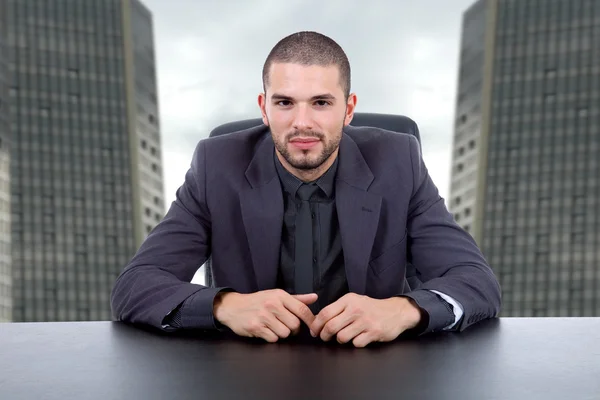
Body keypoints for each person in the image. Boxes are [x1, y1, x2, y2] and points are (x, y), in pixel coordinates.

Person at [111, 31, 501, 348]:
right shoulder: (217, 165)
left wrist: (403, 311)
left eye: (320, 103)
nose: (302, 123)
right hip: (245, 379)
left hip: (376, 376)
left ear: (348, 109)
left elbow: (474, 280)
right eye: (285, 102)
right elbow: (136, 285)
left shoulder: (399, 161)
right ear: (264, 108)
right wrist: (223, 305)